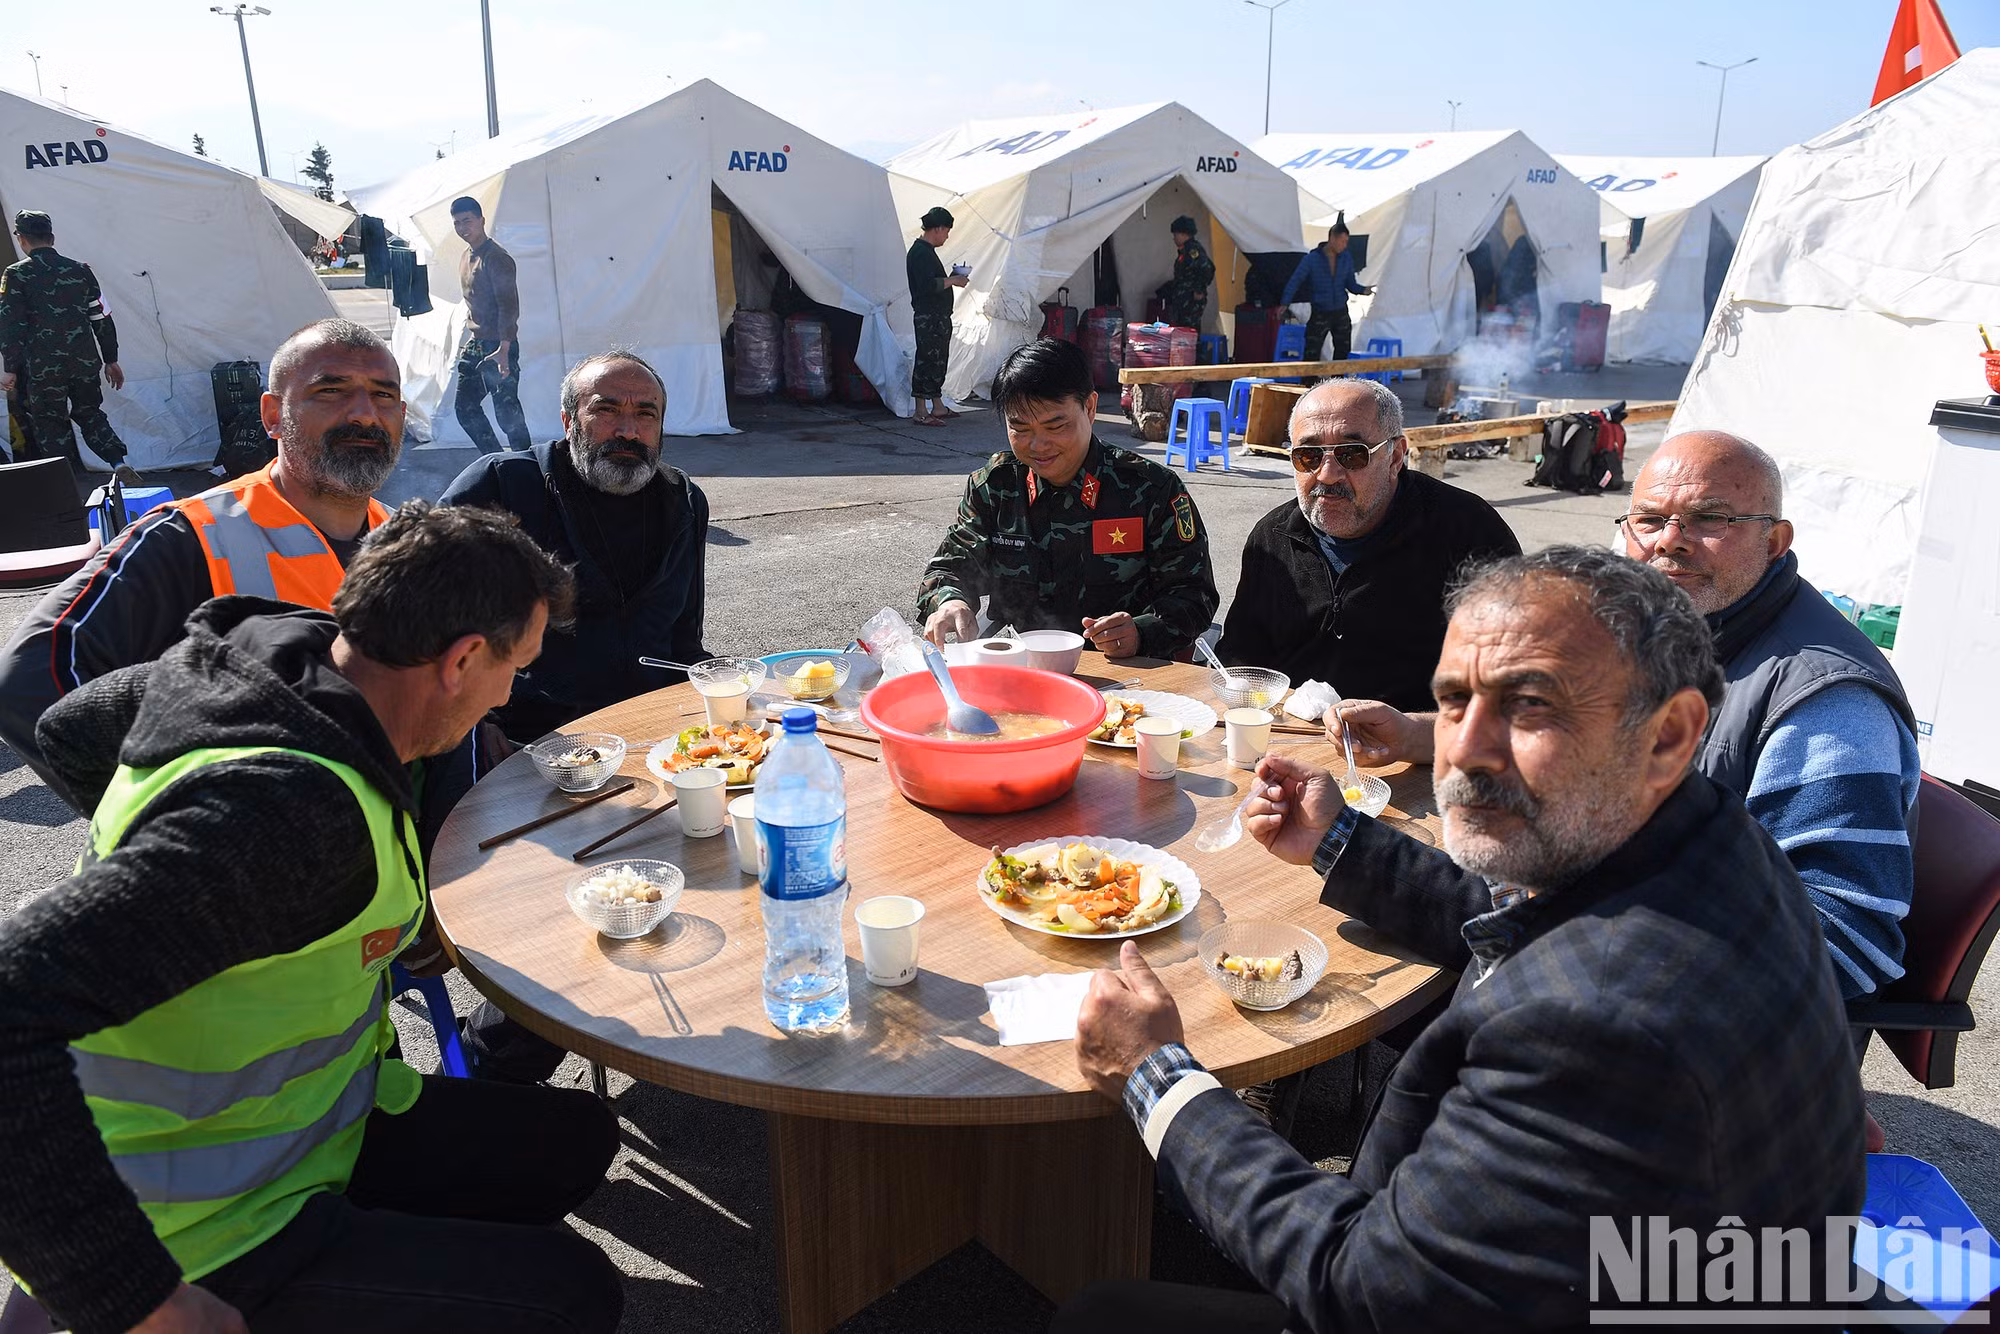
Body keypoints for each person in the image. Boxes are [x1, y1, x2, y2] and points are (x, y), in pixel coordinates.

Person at [1061, 546, 1865, 1332]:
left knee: (1101, 1314)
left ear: (1668, 734)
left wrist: (1158, 1078)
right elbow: (1530, 913)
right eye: (1453, 702)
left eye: (1531, 705)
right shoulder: (1706, 833)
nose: (1465, 751)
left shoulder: (1597, 1034)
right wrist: (1338, 841)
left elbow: (1364, 1291)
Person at [0, 502, 624, 1333]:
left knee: (573, 1142)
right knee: (575, 1294)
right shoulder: (286, 817)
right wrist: (135, 1300)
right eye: (517, 669)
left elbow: (69, 724)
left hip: (315, 1120)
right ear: (463, 659)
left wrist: (182, 886)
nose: (511, 694)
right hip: (197, 1218)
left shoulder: (268, 671)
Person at [1339, 431, 1919, 1007]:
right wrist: (1420, 734)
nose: (1670, 541)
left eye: (1709, 519)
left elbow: (1843, 943)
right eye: (1650, 519)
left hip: (1683, 1015)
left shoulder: (1823, 704)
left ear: (1774, 541)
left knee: (1388, 978)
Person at [0, 318, 407, 812]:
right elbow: (28, 680)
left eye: (384, 395)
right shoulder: (193, 535)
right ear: (273, 415)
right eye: (331, 391)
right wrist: (173, 813)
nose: (364, 413)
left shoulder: (404, 541)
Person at [441, 349, 710, 742]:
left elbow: (684, 641)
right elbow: (423, 626)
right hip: (532, 739)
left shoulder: (683, 500)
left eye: (646, 414)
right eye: (607, 410)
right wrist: (474, 724)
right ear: (568, 421)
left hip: (658, 732)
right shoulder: (502, 485)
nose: (628, 431)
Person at [1216, 377, 1518, 710]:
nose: (1327, 474)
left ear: (1395, 456)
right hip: (1289, 729)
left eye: (1351, 454)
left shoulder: (1468, 533)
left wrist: (1414, 730)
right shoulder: (1273, 538)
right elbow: (1241, 656)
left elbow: (1510, 681)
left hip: (1422, 735)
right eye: (1308, 456)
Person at [917, 337, 1218, 660]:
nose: (1038, 445)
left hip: (1124, 669)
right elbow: (948, 569)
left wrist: (1142, 632)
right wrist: (950, 601)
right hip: (1024, 664)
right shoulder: (995, 486)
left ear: (1090, 408)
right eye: (1020, 428)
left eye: (1055, 426)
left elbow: (1193, 594)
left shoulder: (1151, 489)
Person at [0, 209, 139, 482]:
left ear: (21, 239)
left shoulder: (16, 274)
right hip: (84, 361)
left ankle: (64, 482)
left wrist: (10, 368)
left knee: (49, 422)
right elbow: (101, 316)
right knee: (90, 413)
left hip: (43, 366)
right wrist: (111, 359)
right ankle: (117, 461)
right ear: (51, 238)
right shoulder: (81, 270)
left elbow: (10, 324)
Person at [450, 195, 532, 454]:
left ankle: (525, 463)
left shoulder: (497, 257)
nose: (462, 228)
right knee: (465, 408)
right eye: (457, 223)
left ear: (481, 220)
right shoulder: (466, 256)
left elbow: (509, 306)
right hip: (477, 343)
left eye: (467, 221)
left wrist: (504, 349)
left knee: (507, 414)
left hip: (500, 344)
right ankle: (495, 459)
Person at [1280, 211, 1372, 365]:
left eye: (1346, 242)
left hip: (1340, 311)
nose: (1344, 245)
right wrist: (1285, 302)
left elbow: (1351, 284)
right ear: (1332, 238)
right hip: (1320, 311)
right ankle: (1309, 380)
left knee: (1343, 352)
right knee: (1312, 352)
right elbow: (1295, 280)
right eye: (1342, 241)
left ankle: (1339, 380)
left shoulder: (1346, 258)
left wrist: (1363, 290)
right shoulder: (1312, 259)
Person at [907, 205, 967, 426]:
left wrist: (951, 279)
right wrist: (954, 280)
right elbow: (926, 285)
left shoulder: (926, 251)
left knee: (938, 361)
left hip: (937, 316)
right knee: (927, 360)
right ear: (939, 228)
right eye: (947, 231)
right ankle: (921, 411)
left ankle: (937, 405)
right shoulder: (920, 253)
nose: (947, 236)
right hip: (929, 317)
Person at [1156, 215, 1214, 330]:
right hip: (1183, 300)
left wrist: (1199, 290)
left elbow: (1207, 268)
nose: (1174, 238)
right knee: (1182, 332)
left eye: (1175, 235)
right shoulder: (1185, 251)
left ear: (1183, 234)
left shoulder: (1193, 250)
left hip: (1190, 301)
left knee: (1189, 332)